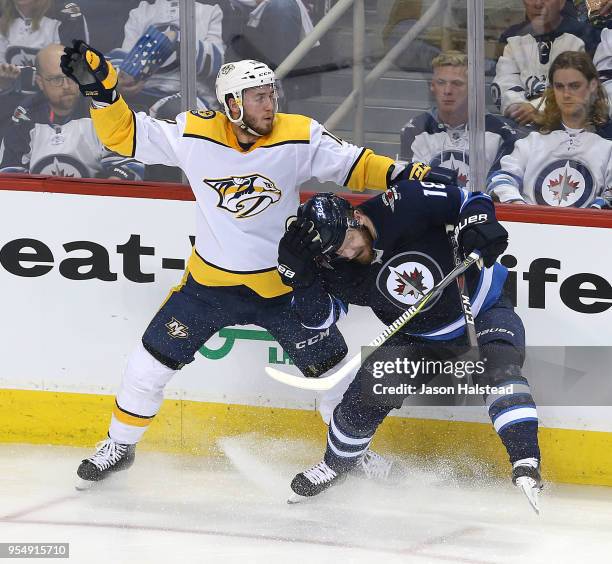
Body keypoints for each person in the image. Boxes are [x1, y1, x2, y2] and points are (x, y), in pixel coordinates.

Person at [59, 39, 439, 489]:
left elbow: (354, 165)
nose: (270, 103)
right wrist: (103, 97)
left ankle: (353, 454)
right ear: (232, 104)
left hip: (285, 287)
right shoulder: (194, 134)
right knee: (148, 365)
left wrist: (405, 174)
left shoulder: (297, 134)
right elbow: (125, 135)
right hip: (209, 286)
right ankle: (119, 447)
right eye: (258, 96)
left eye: (272, 93)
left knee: (334, 379)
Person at [276, 185, 542, 507]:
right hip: (418, 338)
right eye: (334, 252)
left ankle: (526, 461)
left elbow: (469, 198)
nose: (345, 254)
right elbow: (320, 319)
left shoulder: (402, 202)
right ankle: (335, 467)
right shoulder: (331, 266)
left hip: (484, 310)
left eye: (346, 242)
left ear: (355, 217)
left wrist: (479, 222)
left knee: (500, 370)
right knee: (365, 397)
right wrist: (302, 282)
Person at [488, 50, 612, 208]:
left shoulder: (608, 144)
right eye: (559, 86)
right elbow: (500, 179)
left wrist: (590, 216)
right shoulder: (529, 139)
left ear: (592, 85)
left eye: (574, 86)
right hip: (529, 228)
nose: (566, 94)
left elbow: (610, 196)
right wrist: (520, 208)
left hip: (587, 230)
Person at [1, 43, 142, 180]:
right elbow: (10, 172)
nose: (67, 85)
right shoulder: (25, 116)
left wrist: (108, 191)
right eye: (57, 79)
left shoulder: (101, 109)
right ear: (40, 82)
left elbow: (127, 166)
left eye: (71, 76)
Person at [400, 51, 521, 188]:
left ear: (473, 89)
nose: (447, 90)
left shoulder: (501, 134)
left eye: (457, 83)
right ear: (432, 86)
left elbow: (499, 188)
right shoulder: (415, 130)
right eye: (441, 82)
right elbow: (408, 187)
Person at [492, 0, 599, 126]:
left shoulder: (585, 36)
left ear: (562, 3)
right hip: (521, 124)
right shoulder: (511, 37)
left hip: (569, 125)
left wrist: (537, 108)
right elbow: (504, 81)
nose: (537, 4)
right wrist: (517, 106)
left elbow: (581, 88)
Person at [108, 0, 225, 112]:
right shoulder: (140, 11)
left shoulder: (211, 11)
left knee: (173, 109)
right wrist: (119, 80)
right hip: (145, 92)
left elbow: (217, 65)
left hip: (194, 96)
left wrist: (178, 40)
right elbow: (124, 57)